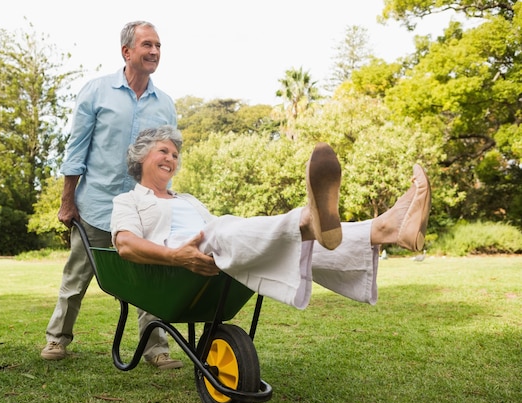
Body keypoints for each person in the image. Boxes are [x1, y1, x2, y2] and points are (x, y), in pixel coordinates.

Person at [110, 126, 431, 309]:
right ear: (140, 158)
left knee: (268, 236)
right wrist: (175, 256)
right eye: (163, 152)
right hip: (181, 257)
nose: (171, 159)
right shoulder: (129, 200)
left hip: (215, 246)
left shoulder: (188, 200)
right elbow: (124, 244)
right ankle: (311, 222)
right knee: (225, 230)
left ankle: (386, 230)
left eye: (175, 155)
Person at [41, 21, 184, 370]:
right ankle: (57, 339)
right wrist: (67, 200)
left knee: (149, 279)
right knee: (76, 277)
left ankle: (156, 350)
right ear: (127, 51)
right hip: (98, 204)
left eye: (159, 46)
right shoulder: (97, 92)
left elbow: (167, 156)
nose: (154, 52)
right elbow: (76, 149)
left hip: (143, 208)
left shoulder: (164, 103)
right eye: (147, 45)